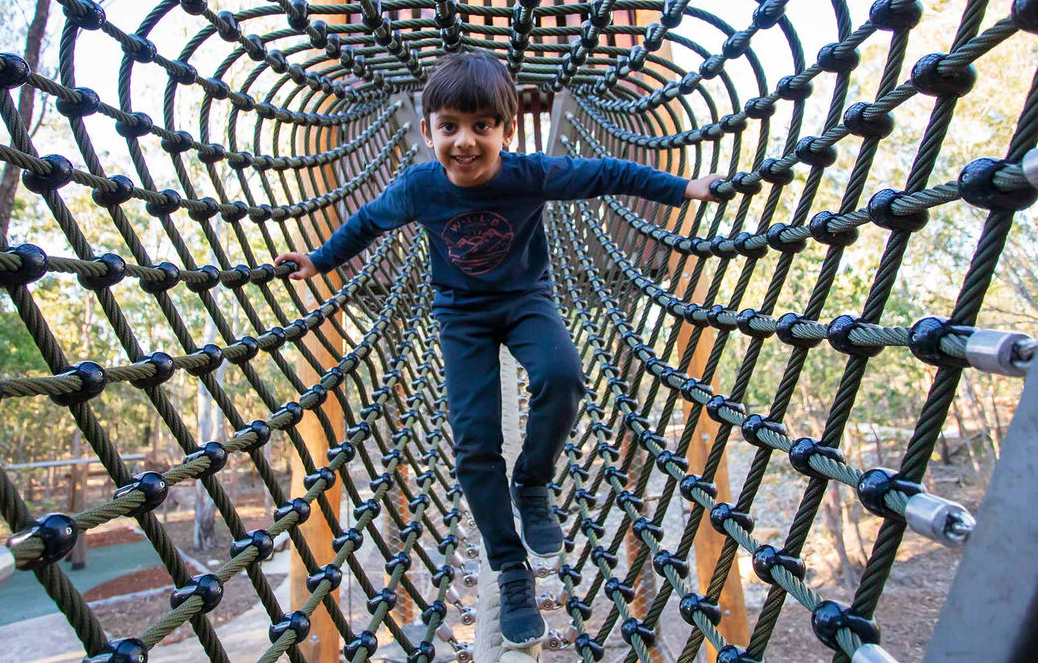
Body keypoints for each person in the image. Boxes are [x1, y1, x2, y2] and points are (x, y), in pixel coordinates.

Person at [275, 51, 718, 647]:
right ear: (428, 127)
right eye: (450, 125)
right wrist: (320, 259)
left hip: (526, 299)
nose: (465, 141)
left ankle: (532, 481)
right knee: (474, 444)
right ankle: (512, 568)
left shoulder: (529, 174)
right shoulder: (418, 187)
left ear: (506, 131)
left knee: (563, 376)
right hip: (461, 316)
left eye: (482, 126)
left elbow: (609, 172)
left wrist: (684, 188)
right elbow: (366, 222)